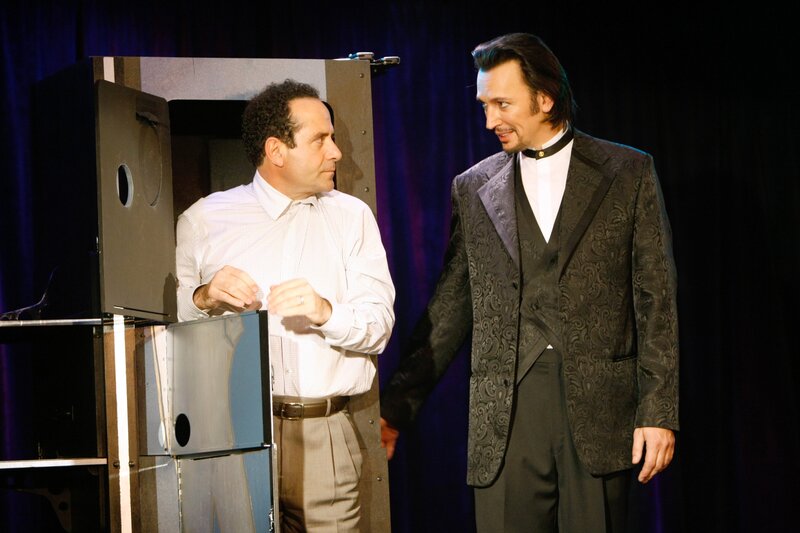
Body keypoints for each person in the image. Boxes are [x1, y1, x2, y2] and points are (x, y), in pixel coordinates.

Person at [379, 32, 679, 532]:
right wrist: (395, 409)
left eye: (502, 104)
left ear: (545, 98)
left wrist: (659, 410)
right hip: (507, 412)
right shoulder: (474, 187)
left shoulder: (627, 172)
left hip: (598, 410)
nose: (489, 120)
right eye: (485, 105)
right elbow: (452, 305)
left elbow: (656, 300)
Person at [175, 79, 396, 532]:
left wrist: (326, 312)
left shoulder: (352, 217)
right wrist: (204, 297)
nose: (336, 152)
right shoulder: (204, 219)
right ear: (276, 150)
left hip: (325, 431)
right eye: (321, 139)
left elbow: (379, 326)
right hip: (232, 435)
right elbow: (165, 329)